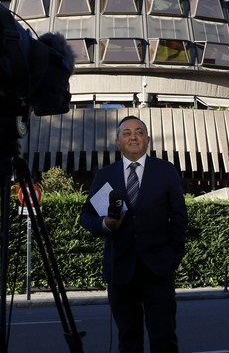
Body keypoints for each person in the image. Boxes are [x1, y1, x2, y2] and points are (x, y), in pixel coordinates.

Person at [79, 115, 188, 353]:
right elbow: (86, 216)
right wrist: (107, 224)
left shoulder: (166, 171)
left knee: (164, 337)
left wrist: (173, 258)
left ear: (147, 139)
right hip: (120, 270)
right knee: (128, 338)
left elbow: (180, 218)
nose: (133, 137)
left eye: (139, 132)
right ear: (118, 142)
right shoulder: (105, 175)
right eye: (127, 133)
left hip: (158, 271)